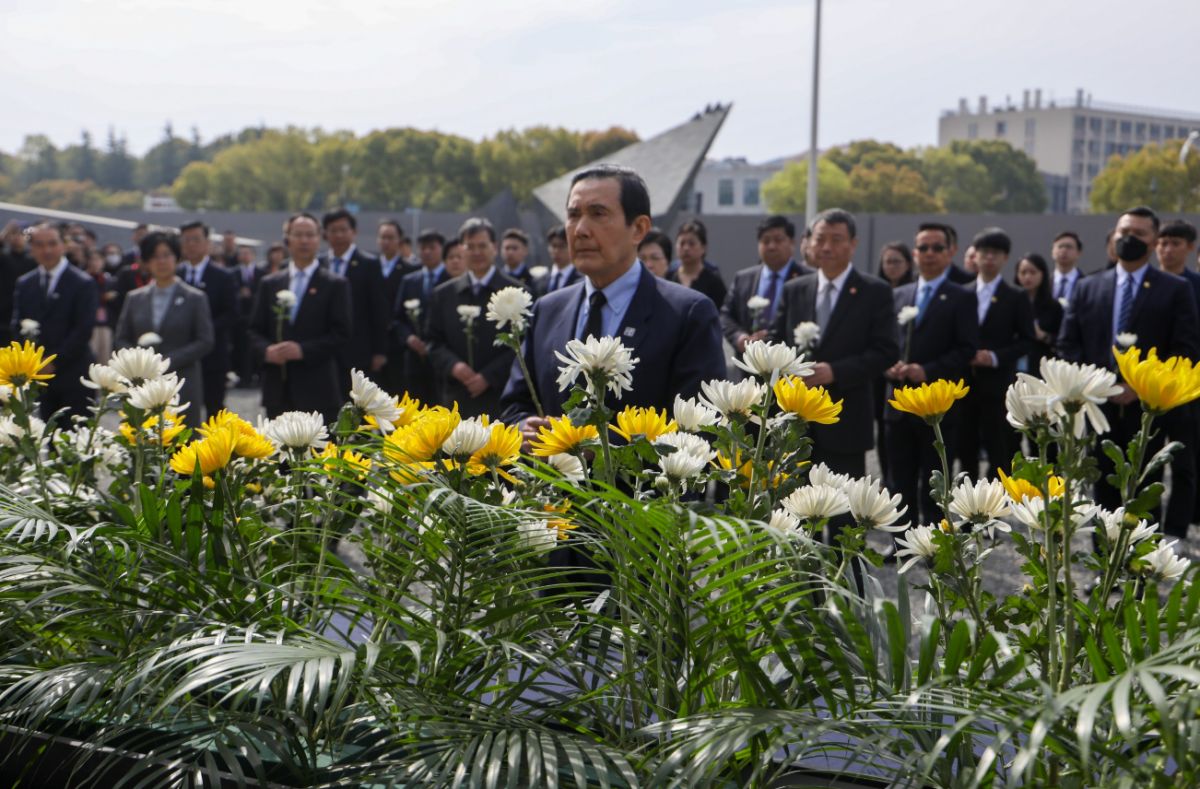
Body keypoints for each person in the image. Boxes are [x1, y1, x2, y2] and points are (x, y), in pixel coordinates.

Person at [500, 164, 726, 433]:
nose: (580, 230)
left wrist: (597, 451)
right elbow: (513, 406)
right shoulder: (547, 310)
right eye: (573, 215)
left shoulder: (687, 314)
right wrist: (525, 428)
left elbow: (700, 429)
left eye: (598, 214)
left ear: (639, 229)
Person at [1058, 206, 1200, 537]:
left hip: (1147, 406)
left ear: (1153, 242)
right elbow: (1068, 345)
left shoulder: (1174, 289)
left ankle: (1139, 566)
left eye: (1139, 233)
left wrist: (1140, 386)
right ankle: (1104, 563)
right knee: (1102, 482)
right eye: (1124, 231)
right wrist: (1098, 385)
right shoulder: (1088, 286)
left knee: (1145, 485)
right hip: (1098, 403)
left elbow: (1185, 349)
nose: (1128, 238)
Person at [770, 208, 897, 479]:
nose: (827, 246)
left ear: (853, 244)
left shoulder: (874, 291)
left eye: (836, 239)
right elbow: (776, 340)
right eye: (820, 238)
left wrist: (836, 371)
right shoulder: (795, 290)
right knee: (793, 511)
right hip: (795, 423)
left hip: (845, 420)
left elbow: (886, 351)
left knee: (843, 514)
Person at [883, 221, 978, 526]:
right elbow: (884, 343)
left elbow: (967, 350)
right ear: (914, 252)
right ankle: (902, 542)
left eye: (937, 247)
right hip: (899, 404)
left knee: (935, 481)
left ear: (951, 252)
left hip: (938, 405)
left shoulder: (962, 296)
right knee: (900, 480)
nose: (929, 253)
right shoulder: (899, 294)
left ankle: (937, 541)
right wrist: (891, 365)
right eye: (923, 247)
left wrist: (927, 370)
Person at [249, 213, 352, 424]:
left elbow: (342, 334)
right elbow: (253, 330)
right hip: (278, 389)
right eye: (298, 235)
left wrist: (303, 350)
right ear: (287, 239)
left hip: (318, 389)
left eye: (310, 235)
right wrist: (266, 351)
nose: (304, 241)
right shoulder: (270, 283)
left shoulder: (335, 284)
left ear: (319, 238)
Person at [955, 228, 1035, 479]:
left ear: (1005, 258)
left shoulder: (1016, 296)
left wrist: (995, 357)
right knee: (963, 445)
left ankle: (994, 502)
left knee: (997, 445)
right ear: (974, 256)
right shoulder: (960, 292)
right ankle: (967, 501)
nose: (989, 258)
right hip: (963, 382)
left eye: (996, 254)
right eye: (984, 253)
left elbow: (1027, 340)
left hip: (997, 383)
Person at [113, 231, 214, 427]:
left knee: (184, 443)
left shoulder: (195, 297)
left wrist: (166, 362)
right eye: (154, 256)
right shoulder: (134, 298)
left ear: (177, 258)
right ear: (145, 262)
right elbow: (121, 338)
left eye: (166, 255)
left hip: (182, 381)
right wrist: (142, 364)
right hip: (143, 386)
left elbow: (205, 340)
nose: (161, 261)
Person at [425, 218, 523, 417]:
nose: (476, 252)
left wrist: (488, 376)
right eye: (470, 246)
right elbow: (432, 342)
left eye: (482, 246)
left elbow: (524, 344)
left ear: (494, 248)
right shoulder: (443, 294)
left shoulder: (517, 292)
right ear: (461, 249)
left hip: (502, 399)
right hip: (457, 398)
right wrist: (454, 366)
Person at [11, 222, 99, 420]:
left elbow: (83, 329)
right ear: (31, 248)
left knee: (74, 441)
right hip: (39, 377)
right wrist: (32, 361)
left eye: (52, 243)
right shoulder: (25, 283)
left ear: (64, 244)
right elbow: (17, 324)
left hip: (74, 373)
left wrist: (53, 361)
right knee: (45, 441)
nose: (47, 250)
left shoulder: (83, 282)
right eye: (40, 245)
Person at [722, 215, 806, 380]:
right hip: (750, 373)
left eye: (778, 240)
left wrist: (773, 338)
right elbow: (725, 315)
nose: (772, 246)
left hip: (789, 375)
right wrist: (740, 338)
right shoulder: (743, 278)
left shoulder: (807, 279)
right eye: (765, 241)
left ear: (792, 243)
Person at [320, 209, 389, 392]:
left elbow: (379, 309)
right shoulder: (319, 264)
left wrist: (379, 351)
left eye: (344, 229)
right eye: (333, 230)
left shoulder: (369, 264)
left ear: (354, 232)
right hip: (322, 350)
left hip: (359, 349)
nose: (339, 235)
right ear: (325, 234)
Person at [178, 221, 237, 420]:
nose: (191, 245)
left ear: (207, 243)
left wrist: (204, 332)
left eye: (196, 239)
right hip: (181, 354)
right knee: (179, 412)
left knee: (214, 409)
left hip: (213, 354)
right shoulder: (175, 275)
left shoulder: (223, 276)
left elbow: (231, 314)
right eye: (187, 240)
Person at [393, 229, 451, 403]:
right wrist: (409, 338)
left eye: (432, 247)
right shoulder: (409, 280)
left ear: (441, 249)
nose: (427, 252)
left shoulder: (451, 279)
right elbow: (397, 318)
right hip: (414, 359)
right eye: (423, 248)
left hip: (443, 358)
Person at [376, 220, 422, 394]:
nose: (386, 242)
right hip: (376, 343)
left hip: (401, 345)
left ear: (400, 240)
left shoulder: (411, 270)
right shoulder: (370, 267)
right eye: (383, 237)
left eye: (391, 237)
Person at [1014, 253, 1063, 372]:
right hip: (1013, 364)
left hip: (1042, 366)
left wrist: (1043, 335)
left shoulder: (1054, 306)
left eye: (1033, 272)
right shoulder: (1010, 302)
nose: (1027, 277)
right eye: (1023, 272)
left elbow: (1062, 340)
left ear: (1042, 274)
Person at [668, 219, 727, 307]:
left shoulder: (714, 282)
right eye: (682, 243)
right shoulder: (668, 277)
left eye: (691, 244)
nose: (686, 248)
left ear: (703, 248)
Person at [231, 245, 262, 387]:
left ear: (253, 255)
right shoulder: (232, 273)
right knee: (241, 349)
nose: (244, 256)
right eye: (241, 253)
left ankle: (258, 375)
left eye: (247, 253)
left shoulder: (261, 272)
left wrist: (251, 296)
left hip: (256, 316)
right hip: (239, 318)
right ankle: (244, 376)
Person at [536, 225, 580, 296]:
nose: (556, 251)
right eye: (553, 246)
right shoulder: (539, 281)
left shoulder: (581, 280)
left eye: (562, 246)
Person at [1050, 231, 1086, 303]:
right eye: (1060, 247)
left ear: (1078, 253)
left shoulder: (1085, 284)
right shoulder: (1044, 283)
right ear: (1052, 252)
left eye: (1069, 247)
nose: (1064, 251)